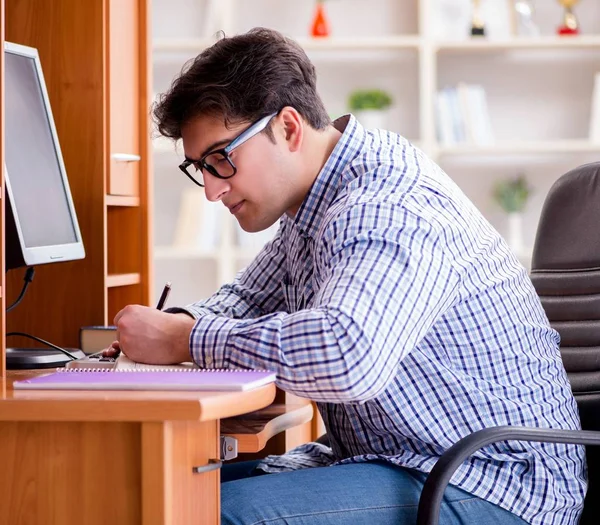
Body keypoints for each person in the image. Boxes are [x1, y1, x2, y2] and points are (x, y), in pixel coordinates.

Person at [106, 28, 585, 525]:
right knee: (160, 491)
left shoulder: (384, 205)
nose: (210, 190)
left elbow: (348, 353)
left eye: (221, 160)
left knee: (210, 514)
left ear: (288, 128)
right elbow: (248, 298)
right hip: (407, 460)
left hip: (490, 481)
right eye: (199, 168)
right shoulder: (315, 205)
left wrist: (188, 338)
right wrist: (177, 326)